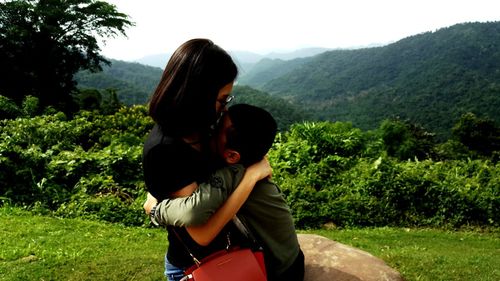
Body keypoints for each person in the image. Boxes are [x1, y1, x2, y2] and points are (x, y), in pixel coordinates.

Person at [142, 38, 272, 281]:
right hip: (197, 266)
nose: (224, 109)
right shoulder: (165, 149)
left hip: (231, 253)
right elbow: (202, 233)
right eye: (222, 100)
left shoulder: (201, 129)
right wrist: (250, 176)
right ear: (197, 95)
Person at [148, 104, 305, 281]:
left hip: (280, 270)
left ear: (232, 156)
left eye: (217, 129)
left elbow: (193, 212)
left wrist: (155, 208)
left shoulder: (232, 173)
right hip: (292, 256)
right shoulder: (249, 160)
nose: (210, 131)